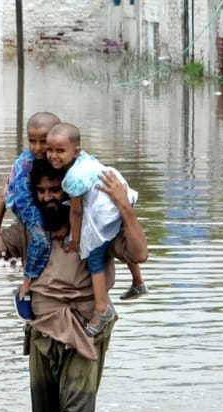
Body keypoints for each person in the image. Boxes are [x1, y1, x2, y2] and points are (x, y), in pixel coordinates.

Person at [0, 159, 148, 412]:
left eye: (54, 190)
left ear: (68, 192)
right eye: (41, 191)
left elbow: (139, 253)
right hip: (43, 331)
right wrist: (1, 202)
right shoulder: (29, 230)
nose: (47, 197)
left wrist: (125, 208)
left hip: (85, 330)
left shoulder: (94, 226)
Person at [45, 122, 147, 336]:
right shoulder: (86, 161)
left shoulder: (73, 177)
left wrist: (76, 241)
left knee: (93, 256)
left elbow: (76, 213)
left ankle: (101, 309)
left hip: (108, 209)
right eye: (50, 150)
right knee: (118, 236)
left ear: (76, 151)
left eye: (60, 151)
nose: (53, 155)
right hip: (117, 195)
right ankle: (138, 281)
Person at [4, 112, 61, 320]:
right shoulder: (27, 163)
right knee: (41, 240)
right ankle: (26, 284)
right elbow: (19, 197)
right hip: (24, 205)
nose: (37, 148)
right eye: (32, 141)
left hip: (36, 201)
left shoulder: (54, 157)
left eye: (42, 142)